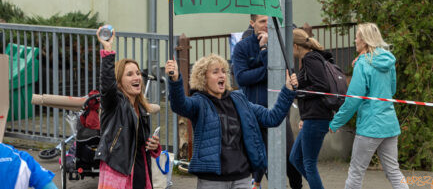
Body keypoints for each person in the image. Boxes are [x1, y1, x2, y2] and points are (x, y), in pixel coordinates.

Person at [165, 54, 297, 189]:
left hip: (242, 178)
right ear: (203, 78)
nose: (222, 75)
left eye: (223, 71)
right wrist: (175, 80)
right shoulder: (199, 102)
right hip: (212, 180)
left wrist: (287, 90)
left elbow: (272, 118)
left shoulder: (239, 100)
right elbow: (180, 105)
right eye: (215, 72)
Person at [329, 23, 408, 189]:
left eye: (357, 36)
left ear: (364, 41)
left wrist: (336, 122)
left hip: (370, 127)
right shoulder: (387, 61)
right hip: (389, 124)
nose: (355, 40)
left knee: (356, 172)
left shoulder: (362, 64)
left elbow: (352, 100)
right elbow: (391, 90)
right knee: (393, 171)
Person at [232, 14, 302, 189]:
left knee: (290, 156)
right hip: (254, 112)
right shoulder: (242, 47)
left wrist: (266, 50)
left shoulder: (278, 45)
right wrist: (267, 68)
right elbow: (241, 78)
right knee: (263, 157)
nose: (266, 25)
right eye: (262, 21)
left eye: (269, 22)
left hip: (278, 111)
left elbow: (284, 74)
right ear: (252, 23)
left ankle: (297, 186)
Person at [95, 26, 161, 189]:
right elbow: (107, 86)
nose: (136, 77)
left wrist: (154, 146)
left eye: (138, 73)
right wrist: (108, 50)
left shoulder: (142, 108)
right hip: (118, 171)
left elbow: (141, 144)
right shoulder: (114, 103)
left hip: (140, 172)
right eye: (129, 74)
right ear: (119, 82)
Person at [289, 28, 334, 189]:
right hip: (311, 117)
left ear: (295, 46)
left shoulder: (310, 58)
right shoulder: (309, 59)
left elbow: (322, 86)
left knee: (309, 163)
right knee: (295, 158)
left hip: (316, 117)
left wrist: (299, 93)